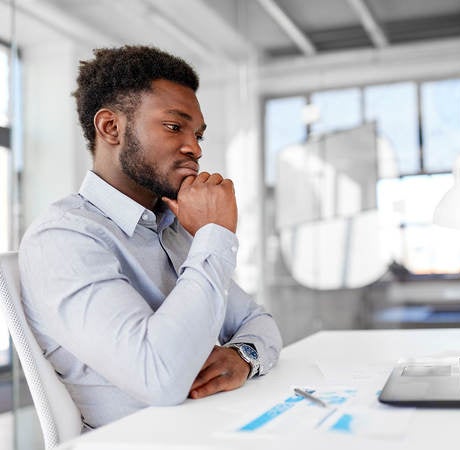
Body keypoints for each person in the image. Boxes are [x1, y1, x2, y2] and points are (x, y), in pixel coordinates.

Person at [19, 45, 282, 430]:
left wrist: (243, 356)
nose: (194, 147)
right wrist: (215, 234)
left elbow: (259, 322)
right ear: (111, 128)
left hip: (215, 430)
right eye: (174, 127)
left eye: (198, 134)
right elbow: (159, 377)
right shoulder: (64, 238)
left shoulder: (175, 229)